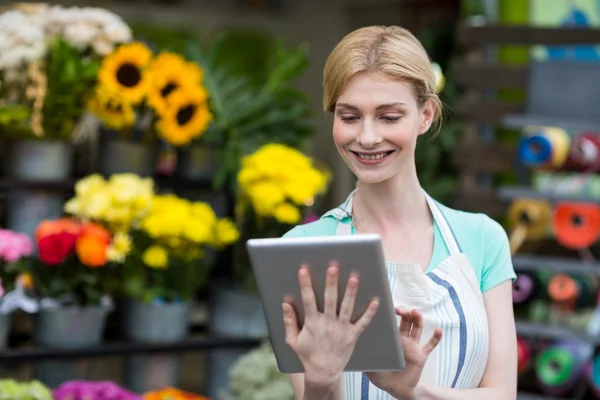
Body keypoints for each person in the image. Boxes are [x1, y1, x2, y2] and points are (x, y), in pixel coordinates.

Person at [280, 25, 517, 400]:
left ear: (426, 115)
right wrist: (320, 384)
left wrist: (414, 391)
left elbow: (502, 395)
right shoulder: (301, 249)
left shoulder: (483, 239)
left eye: (389, 117)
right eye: (350, 116)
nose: (368, 137)